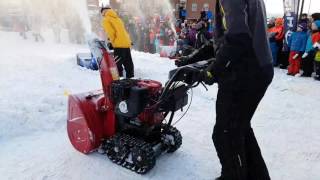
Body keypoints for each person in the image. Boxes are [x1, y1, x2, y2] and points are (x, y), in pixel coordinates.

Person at [175, 0, 274, 179]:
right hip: (257, 68)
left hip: (245, 73)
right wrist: (192, 58)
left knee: (225, 134)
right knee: (240, 128)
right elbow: (225, 39)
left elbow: (238, 38)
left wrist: (213, 71)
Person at [101, 6, 134, 78]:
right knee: (128, 63)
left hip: (119, 45)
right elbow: (124, 32)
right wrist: (129, 41)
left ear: (104, 11)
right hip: (126, 43)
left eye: (102, 13)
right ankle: (131, 79)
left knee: (116, 64)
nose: (102, 15)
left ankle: (119, 81)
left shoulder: (106, 20)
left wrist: (111, 42)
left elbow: (111, 32)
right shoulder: (118, 19)